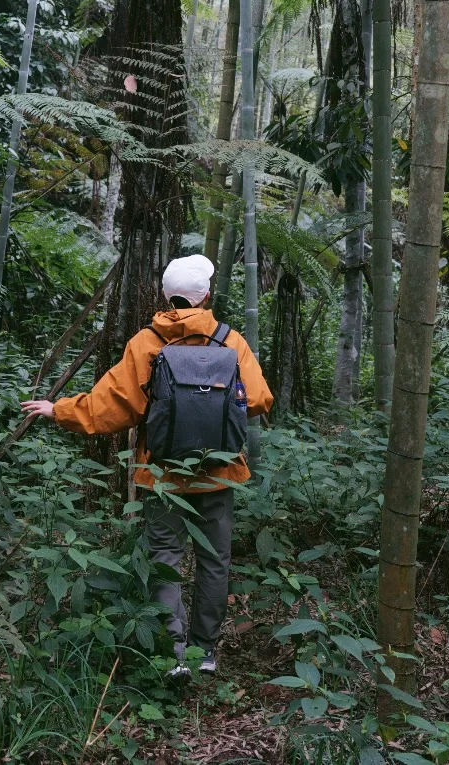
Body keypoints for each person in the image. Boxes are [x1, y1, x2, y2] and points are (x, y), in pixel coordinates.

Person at [21, 253, 273, 678]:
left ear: (165, 297)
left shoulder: (147, 342)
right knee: (215, 561)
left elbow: (112, 406)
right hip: (219, 473)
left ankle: (175, 655)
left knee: (165, 560)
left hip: (163, 474)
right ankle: (205, 653)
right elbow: (260, 400)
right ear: (206, 296)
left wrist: (58, 408)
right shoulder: (231, 340)